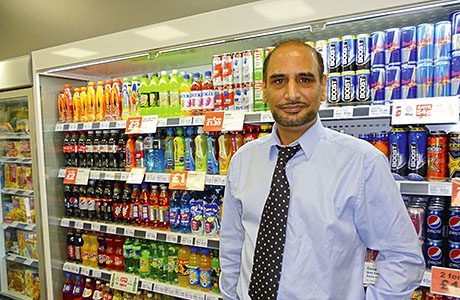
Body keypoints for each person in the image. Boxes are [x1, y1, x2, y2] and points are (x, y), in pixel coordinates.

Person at [219, 39, 425, 300]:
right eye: (279, 81)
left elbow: (402, 257)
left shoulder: (362, 162)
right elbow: (232, 245)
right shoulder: (242, 161)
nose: (291, 93)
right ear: (264, 90)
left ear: (323, 87)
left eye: (304, 80)